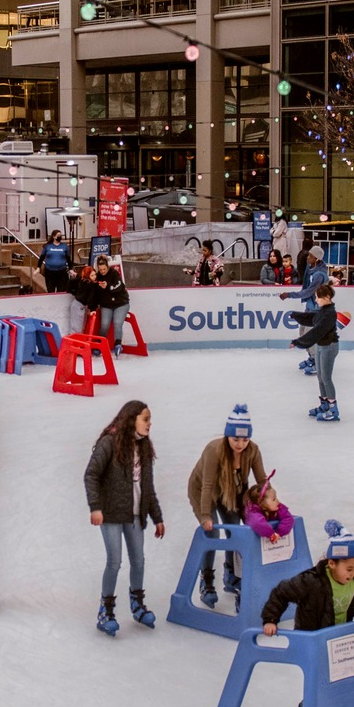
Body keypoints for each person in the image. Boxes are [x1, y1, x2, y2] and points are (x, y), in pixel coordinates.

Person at [260, 521, 354, 707]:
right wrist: (271, 619)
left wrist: (347, 609)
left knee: (338, 682)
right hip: (312, 639)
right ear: (331, 563)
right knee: (317, 683)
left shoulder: (353, 582)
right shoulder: (311, 581)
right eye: (349, 569)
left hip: (337, 642)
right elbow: (281, 592)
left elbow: (341, 601)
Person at [82, 399, 165, 636]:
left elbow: (147, 487)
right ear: (132, 420)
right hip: (110, 513)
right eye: (145, 419)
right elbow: (91, 475)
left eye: (150, 419)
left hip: (135, 514)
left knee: (138, 560)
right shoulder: (110, 442)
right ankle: (105, 610)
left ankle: (137, 604)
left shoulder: (145, 447)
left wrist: (157, 517)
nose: (150, 424)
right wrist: (95, 507)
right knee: (115, 561)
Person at [184, 404, 268, 607]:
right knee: (212, 534)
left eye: (245, 439)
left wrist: (271, 504)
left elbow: (261, 482)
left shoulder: (253, 450)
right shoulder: (215, 450)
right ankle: (207, 580)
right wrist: (205, 515)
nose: (240, 444)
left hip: (230, 493)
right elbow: (207, 485)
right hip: (204, 492)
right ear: (227, 436)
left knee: (236, 531)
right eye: (235, 439)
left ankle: (231, 574)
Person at [293, 282, 342, 422]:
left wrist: (299, 341)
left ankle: (333, 409)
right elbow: (312, 319)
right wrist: (296, 315)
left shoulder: (330, 313)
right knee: (320, 377)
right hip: (322, 346)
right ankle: (325, 405)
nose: (316, 300)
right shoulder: (322, 311)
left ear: (327, 297)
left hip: (329, 347)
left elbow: (317, 330)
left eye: (318, 298)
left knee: (326, 378)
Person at [287, 247, 329, 375]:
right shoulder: (310, 269)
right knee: (302, 333)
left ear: (316, 259)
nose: (307, 257)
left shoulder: (319, 275)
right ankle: (312, 358)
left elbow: (309, 291)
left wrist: (290, 294)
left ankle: (317, 363)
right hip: (310, 308)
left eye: (310, 256)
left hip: (318, 311)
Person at [94, 260, 131, 354]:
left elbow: (118, 287)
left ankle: (118, 344)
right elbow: (94, 292)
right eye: (100, 269)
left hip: (121, 304)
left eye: (104, 269)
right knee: (104, 324)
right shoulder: (97, 277)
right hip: (106, 305)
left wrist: (107, 286)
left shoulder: (114, 274)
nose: (102, 271)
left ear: (107, 267)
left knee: (117, 323)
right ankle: (100, 345)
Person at [244, 478, 293, 543]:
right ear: (262, 503)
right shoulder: (253, 513)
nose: (277, 501)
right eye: (274, 499)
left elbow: (288, 518)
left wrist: (279, 533)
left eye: (276, 497)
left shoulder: (277, 507)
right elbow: (258, 523)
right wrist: (271, 534)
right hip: (254, 544)